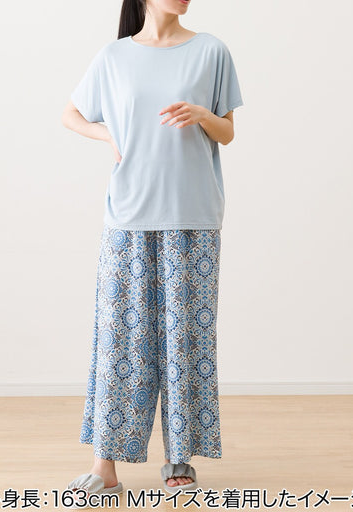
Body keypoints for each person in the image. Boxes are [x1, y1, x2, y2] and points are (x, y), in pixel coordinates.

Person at [61, 0, 243, 500]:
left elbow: (228, 132)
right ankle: (105, 466)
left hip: (193, 216)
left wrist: (203, 115)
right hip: (128, 216)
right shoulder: (114, 57)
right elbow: (70, 114)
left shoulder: (211, 51)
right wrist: (107, 134)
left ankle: (180, 458)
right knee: (120, 343)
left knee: (185, 342)